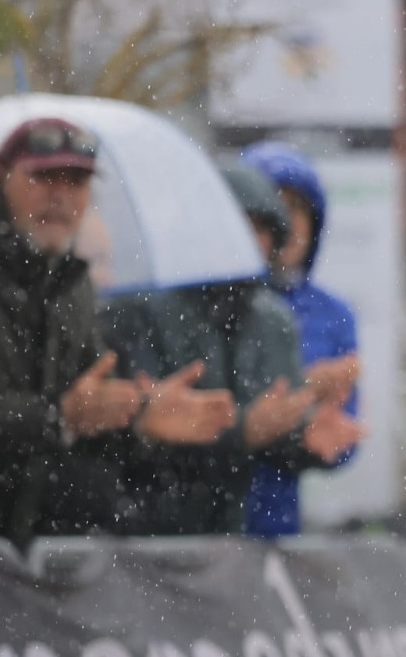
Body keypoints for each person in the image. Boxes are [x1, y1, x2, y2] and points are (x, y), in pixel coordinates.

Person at [0, 117, 236, 543]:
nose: (60, 196)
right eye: (43, 177)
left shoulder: (68, 285)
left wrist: (136, 418)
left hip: (11, 552)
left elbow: (83, 408)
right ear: (0, 178)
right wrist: (56, 418)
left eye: (77, 181)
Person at [98, 164, 361, 535]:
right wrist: (242, 432)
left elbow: (271, 428)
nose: (245, 240)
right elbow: (133, 434)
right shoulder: (142, 311)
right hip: (145, 536)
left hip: (240, 540)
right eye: (232, 224)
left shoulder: (274, 321)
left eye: (259, 228)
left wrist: (304, 436)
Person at [237, 142, 361, 536]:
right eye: (270, 209)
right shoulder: (212, 300)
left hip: (277, 523)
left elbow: (342, 434)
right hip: (198, 523)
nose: (285, 223)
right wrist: (301, 395)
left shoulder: (333, 314)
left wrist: (315, 438)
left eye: (296, 208)